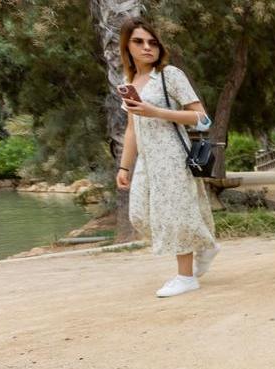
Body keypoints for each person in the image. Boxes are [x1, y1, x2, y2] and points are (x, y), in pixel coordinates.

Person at [115, 18, 220, 298]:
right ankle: (204, 244)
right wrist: (125, 165)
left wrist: (156, 111)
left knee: (174, 214)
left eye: (153, 42)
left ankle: (186, 276)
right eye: (139, 41)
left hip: (172, 155)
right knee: (139, 214)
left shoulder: (169, 75)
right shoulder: (129, 82)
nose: (147, 47)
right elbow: (131, 128)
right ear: (127, 46)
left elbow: (202, 118)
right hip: (147, 161)